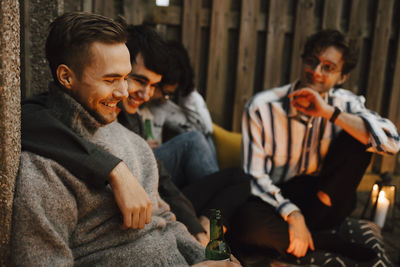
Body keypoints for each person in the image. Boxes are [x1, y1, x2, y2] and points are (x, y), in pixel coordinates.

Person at [12, 12, 241, 267]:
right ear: (66, 77)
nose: (124, 93)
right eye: (111, 79)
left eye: (125, 77)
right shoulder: (43, 166)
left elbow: (165, 219)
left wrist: (206, 256)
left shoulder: (132, 140)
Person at [227, 29, 400, 263]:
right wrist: (293, 213)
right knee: (246, 224)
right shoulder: (261, 108)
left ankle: (300, 237)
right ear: (303, 61)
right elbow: (254, 176)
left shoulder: (345, 103)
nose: (316, 72)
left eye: (328, 67)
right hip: (280, 199)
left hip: (329, 199)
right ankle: (322, 241)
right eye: (312, 62)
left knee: (361, 135)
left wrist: (329, 113)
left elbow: (392, 142)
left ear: (342, 77)